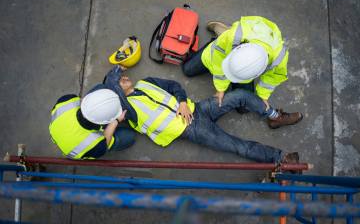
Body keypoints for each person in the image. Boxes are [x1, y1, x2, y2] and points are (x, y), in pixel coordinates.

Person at [104, 66, 300, 163]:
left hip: (197, 108)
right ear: (117, 92)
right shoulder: (125, 111)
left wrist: (182, 102)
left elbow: (174, 86)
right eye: (119, 80)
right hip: (192, 130)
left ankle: (274, 116)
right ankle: (281, 158)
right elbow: (106, 122)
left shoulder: (145, 82)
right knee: (238, 146)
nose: (124, 77)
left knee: (241, 95)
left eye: (121, 76)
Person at [182, 16, 302, 128]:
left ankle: (276, 117)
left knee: (243, 108)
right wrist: (220, 89)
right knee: (188, 69)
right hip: (225, 45)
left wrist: (262, 96)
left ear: (257, 73)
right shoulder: (233, 37)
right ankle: (221, 33)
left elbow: (273, 78)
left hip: (255, 42)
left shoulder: (279, 57)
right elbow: (218, 62)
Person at [49, 75, 136, 160]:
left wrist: (100, 102)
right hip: (79, 149)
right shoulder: (95, 146)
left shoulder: (65, 101)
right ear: (103, 123)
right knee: (129, 136)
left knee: (100, 87)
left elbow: (84, 101)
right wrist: (116, 121)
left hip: (60, 130)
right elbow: (105, 143)